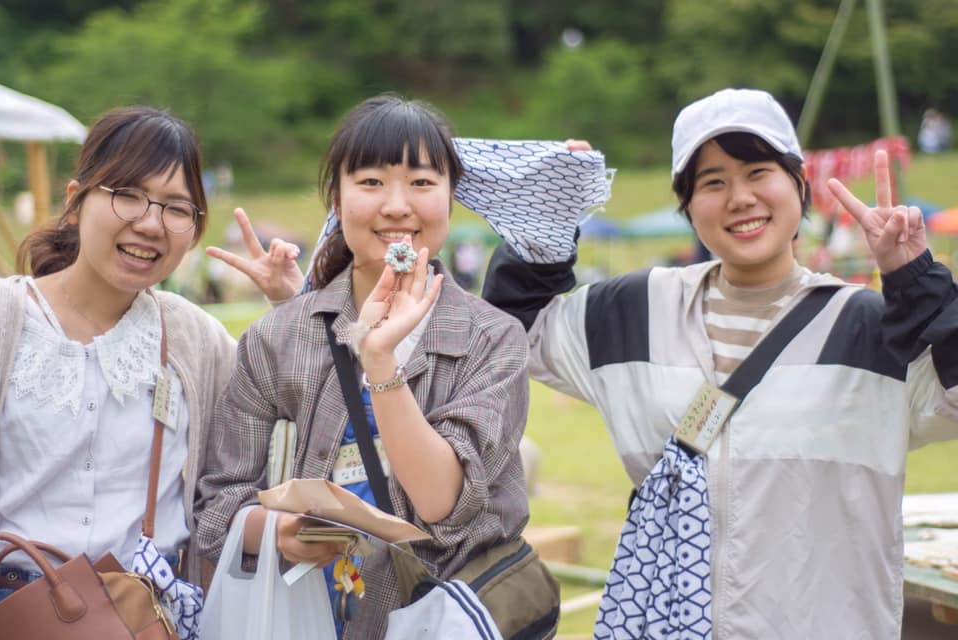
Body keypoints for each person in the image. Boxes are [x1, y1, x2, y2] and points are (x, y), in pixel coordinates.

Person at [482, 88, 958, 638]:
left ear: (799, 185)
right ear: (687, 206)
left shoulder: (870, 327)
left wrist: (918, 283)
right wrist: (546, 218)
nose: (740, 197)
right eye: (712, 182)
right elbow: (507, 333)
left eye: (759, 171)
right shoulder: (631, 312)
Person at [194, 94, 532, 639]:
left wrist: (379, 361)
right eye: (371, 182)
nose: (397, 206)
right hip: (308, 618)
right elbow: (217, 507)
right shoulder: (277, 338)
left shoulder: (493, 339)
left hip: (441, 620)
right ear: (336, 198)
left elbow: (442, 502)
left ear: (451, 197)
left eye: (422, 183)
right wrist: (275, 530)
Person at [0, 107, 241, 637]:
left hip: (142, 616)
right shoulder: (7, 320)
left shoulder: (196, 341)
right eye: (127, 194)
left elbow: (288, 405)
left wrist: (288, 302)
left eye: (177, 208)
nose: (150, 223)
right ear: (74, 200)